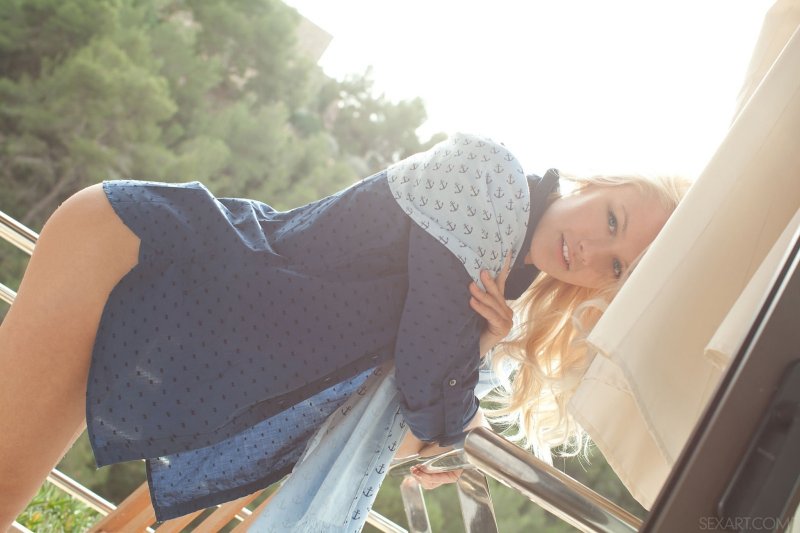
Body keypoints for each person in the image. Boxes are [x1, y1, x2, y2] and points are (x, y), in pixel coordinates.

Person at [0, 133, 688, 527]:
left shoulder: (498, 289)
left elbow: (418, 412)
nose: (592, 251)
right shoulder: (493, 182)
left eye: (616, 267)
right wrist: (463, 378)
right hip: (136, 253)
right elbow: (428, 387)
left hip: (189, 325)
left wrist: (475, 354)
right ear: (595, 183)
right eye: (612, 220)